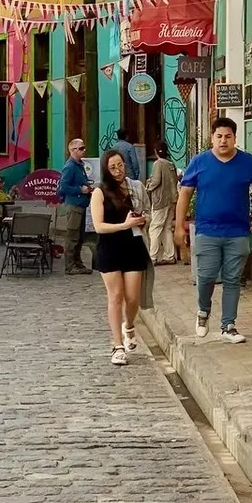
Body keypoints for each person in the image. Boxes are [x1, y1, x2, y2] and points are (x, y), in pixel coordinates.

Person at [175, 117, 252, 344]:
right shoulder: (200, 162)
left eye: (228, 136)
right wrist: (179, 226)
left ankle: (228, 325)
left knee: (232, 279)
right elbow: (185, 194)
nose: (223, 141)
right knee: (206, 276)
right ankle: (203, 312)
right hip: (207, 230)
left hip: (238, 231)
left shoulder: (247, 162)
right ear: (212, 138)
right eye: (219, 136)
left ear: (235, 138)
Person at [91, 148, 151, 366]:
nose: (117, 170)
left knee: (133, 297)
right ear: (106, 169)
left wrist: (142, 220)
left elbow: (147, 212)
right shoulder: (100, 192)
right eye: (112, 167)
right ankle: (117, 346)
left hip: (133, 246)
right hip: (109, 247)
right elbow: (99, 226)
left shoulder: (136, 187)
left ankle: (129, 325)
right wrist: (124, 225)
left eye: (120, 165)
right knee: (115, 296)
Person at [57, 138, 93, 276]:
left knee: (80, 237)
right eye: (81, 148)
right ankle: (70, 266)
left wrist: (88, 188)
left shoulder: (79, 165)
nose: (84, 150)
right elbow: (63, 186)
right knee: (72, 236)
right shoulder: (70, 166)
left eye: (84, 147)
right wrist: (80, 190)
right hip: (74, 205)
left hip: (81, 204)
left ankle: (78, 263)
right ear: (73, 150)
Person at [146, 141, 179, 265]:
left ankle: (152, 257)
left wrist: (148, 186)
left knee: (155, 228)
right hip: (172, 199)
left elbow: (155, 181)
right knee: (166, 228)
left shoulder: (158, 163)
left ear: (156, 151)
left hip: (160, 200)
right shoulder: (171, 164)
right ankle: (169, 255)